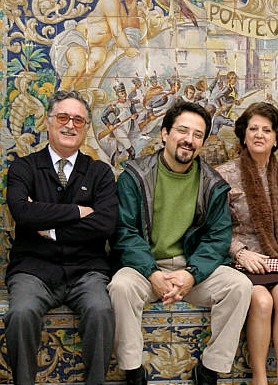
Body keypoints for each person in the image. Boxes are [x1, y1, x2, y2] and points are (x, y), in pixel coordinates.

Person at [107, 101, 252, 385]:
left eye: (198, 135)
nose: (189, 139)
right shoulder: (134, 177)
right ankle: (134, 371)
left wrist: (191, 274)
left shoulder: (213, 184)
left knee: (239, 286)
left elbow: (217, 238)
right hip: (144, 269)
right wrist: (152, 273)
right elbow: (125, 232)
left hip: (191, 268)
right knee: (120, 287)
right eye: (182, 131)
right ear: (164, 134)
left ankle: (210, 370)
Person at [4, 90, 116, 385]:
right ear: (48, 122)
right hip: (33, 268)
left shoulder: (100, 173)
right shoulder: (23, 168)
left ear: (86, 128)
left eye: (78, 120)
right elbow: (22, 213)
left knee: (101, 311)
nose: (70, 125)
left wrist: (51, 227)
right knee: (20, 314)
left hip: (86, 270)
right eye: (63, 117)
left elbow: (105, 223)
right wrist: (79, 211)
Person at [216, 102, 278, 385]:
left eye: (267, 129)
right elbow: (214, 226)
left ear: (277, 137)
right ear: (243, 134)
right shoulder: (223, 175)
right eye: (253, 129)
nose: (259, 135)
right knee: (261, 301)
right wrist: (240, 252)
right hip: (242, 262)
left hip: (277, 258)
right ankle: (260, 378)